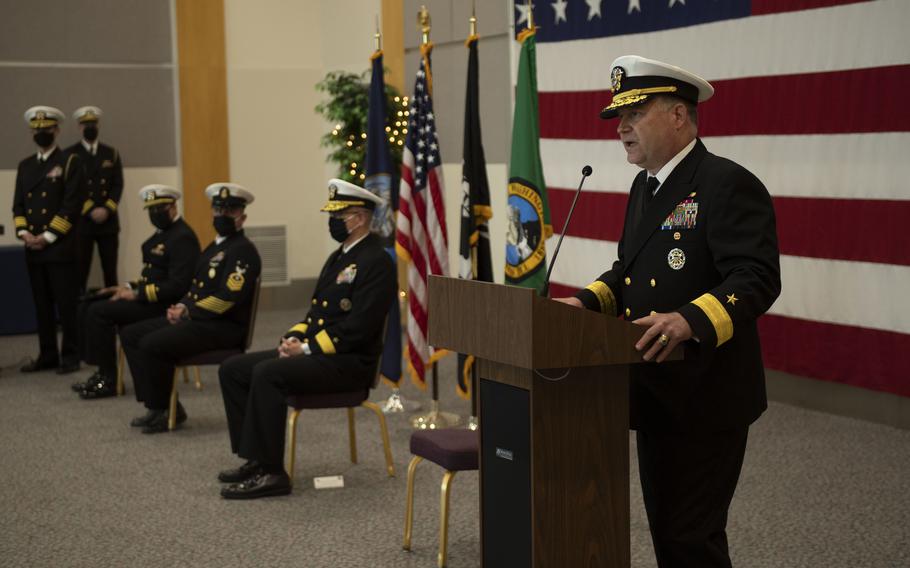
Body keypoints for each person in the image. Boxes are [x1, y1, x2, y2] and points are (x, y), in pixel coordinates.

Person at [555, 56, 781, 568]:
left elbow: (756, 277)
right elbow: (627, 272)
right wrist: (584, 301)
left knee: (691, 537)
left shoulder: (726, 183)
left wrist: (690, 320)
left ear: (679, 115)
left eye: (635, 111)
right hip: (655, 387)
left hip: (708, 393)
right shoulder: (646, 186)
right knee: (668, 532)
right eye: (618, 116)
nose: (623, 127)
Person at [217, 179, 396, 500]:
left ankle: (273, 473)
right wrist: (294, 338)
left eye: (338, 215)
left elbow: (359, 328)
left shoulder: (376, 261)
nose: (333, 221)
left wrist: (308, 348)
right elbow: (316, 314)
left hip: (349, 363)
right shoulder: (339, 257)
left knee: (267, 374)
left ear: (360, 217)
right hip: (322, 354)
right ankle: (255, 458)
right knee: (233, 369)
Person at [119, 183, 261, 434]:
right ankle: (156, 404)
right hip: (200, 319)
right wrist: (182, 305)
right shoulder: (215, 247)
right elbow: (195, 288)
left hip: (223, 326)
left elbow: (227, 299)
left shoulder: (243, 251)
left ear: (243, 217)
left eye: (230, 212)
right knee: (132, 334)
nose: (223, 216)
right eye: (218, 211)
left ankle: (167, 410)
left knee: (152, 344)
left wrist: (188, 312)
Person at [72, 185, 200, 398]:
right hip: (150, 299)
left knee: (99, 312)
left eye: (159, 209)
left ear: (173, 206)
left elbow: (178, 285)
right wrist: (126, 288)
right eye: (151, 210)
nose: (154, 214)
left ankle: (108, 379)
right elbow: (151, 276)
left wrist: (138, 294)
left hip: (164, 305)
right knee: (89, 301)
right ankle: (100, 370)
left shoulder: (182, 237)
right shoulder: (162, 235)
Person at [12, 106, 85, 374]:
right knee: (41, 305)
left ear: (56, 130)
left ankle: (71, 355)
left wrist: (46, 236)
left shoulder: (70, 161)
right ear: (31, 131)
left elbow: (72, 205)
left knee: (66, 304)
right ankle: (47, 354)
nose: (41, 133)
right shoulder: (25, 165)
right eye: (37, 130)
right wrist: (25, 234)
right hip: (33, 248)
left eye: (47, 129)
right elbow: (18, 206)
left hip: (60, 246)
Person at [67, 106, 124, 292]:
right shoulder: (70, 155)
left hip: (109, 222)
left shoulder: (111, 153)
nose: (89, 127)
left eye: (92, 123)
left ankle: (114, 316)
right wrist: (90, 209)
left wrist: (106, 209)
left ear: (98, 125)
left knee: (110, 272)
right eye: (85, 124)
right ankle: (79, 315)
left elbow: (118, 184)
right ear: (79, 127)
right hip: (83, 222)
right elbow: (71, 188)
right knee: (79, 271)